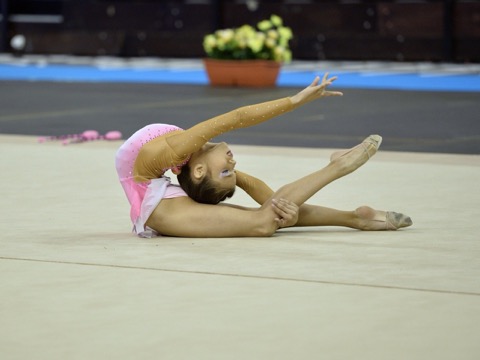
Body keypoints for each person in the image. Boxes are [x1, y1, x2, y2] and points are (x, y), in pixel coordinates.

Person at [115, 74, 412, 237]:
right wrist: (285, 210)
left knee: (271, 216)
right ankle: (338, 170)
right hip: (160, 210)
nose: (233, 163)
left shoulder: (179, 152)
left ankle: (356, 218)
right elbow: (271, 212)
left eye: (226, 172)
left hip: (162, 202)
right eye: (232, 172)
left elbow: (236, 117)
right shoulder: (182, 157)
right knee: (263, 222)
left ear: (199, 172)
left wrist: (295, 100)